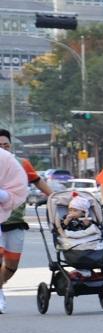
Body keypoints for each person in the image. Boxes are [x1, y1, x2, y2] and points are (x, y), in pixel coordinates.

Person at [0, 129, 52, 314]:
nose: (3, 148)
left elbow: (38, 181)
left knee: (11, 266)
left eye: (6, 145)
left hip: (15, 221)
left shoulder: (21, 164)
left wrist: (55, 198)